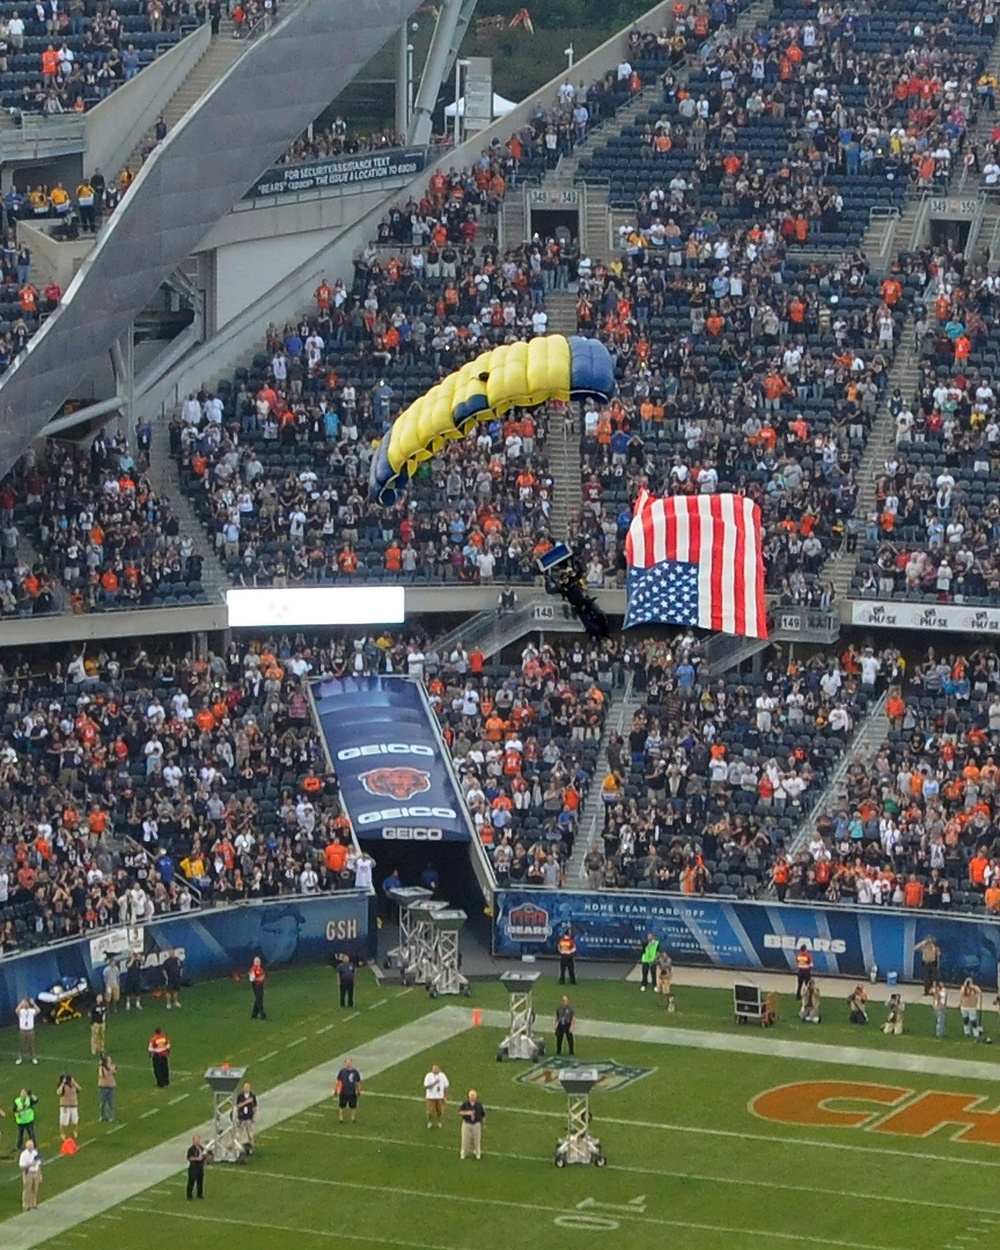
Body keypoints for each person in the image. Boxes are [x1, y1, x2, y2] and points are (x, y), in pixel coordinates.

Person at [458, 1089, 486, 1160]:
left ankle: (477, 1153)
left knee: (477, 1139)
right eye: (471, 1096)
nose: (473, 1097)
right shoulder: (465, 1104)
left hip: (476, 1124)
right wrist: (467, 1113)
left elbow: (483, 1115)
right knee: (465, 1139)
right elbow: (460, 1112)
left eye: (474, 1096)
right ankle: (463, 1153)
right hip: (467, 1123)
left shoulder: (479, 1105)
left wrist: (483, 1123)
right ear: (469, 1097)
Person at [334, 1057, 362, 1123]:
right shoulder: (342, 1071)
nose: (348, 1064)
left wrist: (358, 1090)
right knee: (341, 1105)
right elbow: (338, 1081)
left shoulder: (355, 1072)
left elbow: (357, 1082)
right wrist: (336, 1090)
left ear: (352, 1063)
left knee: (353, 1105)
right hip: (343, 1091)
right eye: (347, 1063)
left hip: (352, 1091)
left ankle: (353, 1117)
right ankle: (341, 1118)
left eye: (349, 1063)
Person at [234, 1082, 257, 1158]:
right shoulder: (240, 1096)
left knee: (250, 1134)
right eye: (245, 1087)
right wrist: (246, 1102)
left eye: (247, 1087)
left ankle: (251, 1148)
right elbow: (238, 1105)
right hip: (241, 1117)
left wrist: (254, 1116)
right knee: (238, 1134)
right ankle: (237, 1147)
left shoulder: (252, 1096)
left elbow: (255, 1107)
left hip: (249, 1117)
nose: (246, 1089)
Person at [423, 1063, 449, 1129]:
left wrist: (445, 1096)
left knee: (440, 1111)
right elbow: (426, 1087)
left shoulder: (442, 1075)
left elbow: (446, 1087)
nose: (434, 1070)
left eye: (435, 1068)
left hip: (440, 1097)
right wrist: (434, 1084)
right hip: (430, 1097)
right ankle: (430, 1121)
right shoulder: (428, 1076)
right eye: (433, 1068)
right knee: (430, 1111)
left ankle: (439, 1121)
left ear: (439, 1069)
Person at [19, 1137, 41, 1211]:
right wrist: (30, 1164)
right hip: (28, 1173)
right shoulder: (24, 1155)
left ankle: (33, 1203)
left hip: (35, 1172)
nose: (31, 1147)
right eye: (30, 1146)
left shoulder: (35, 1153)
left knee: (35, 1188)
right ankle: (26, 1205)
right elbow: (21, 1166)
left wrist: (39, 1173)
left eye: (32, 1146)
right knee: (27, 1189)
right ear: (27, 1146)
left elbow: (39, 1164)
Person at [16, 996, 40, 1064]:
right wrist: (21, 1004)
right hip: (23, 1031)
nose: (25, 1005)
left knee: (31, 1045)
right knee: (22, 1045)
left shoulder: (31, 1011)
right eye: (24, 1004)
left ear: (28, 1004)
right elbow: (16, 1011)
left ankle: (33, 1058)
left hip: (30, 1031)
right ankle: (20, 1058)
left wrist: (33, 1003)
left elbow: (38, 1010)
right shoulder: (21, 1011)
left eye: (26, 1003)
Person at [57, 1072, 81, 1141]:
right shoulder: (63, 1086)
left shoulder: (73, 1085)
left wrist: (74, 1083)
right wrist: (63, 1084)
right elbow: (58, 1092)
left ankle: (75, 1131)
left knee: (75, 1121)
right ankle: (62, 1133)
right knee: (63, 1122)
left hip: (73, 1105)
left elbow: (79, 1089)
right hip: (65, 1106)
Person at [186, 1134, 207, 1199]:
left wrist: (204, 1158)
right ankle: (189, 1195)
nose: (197, 1141)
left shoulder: (202, 1148)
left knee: (200, 1181)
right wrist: (197, 1159)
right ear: (193, 1141)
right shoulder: (191, 1149)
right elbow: (189, 1158)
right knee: (191, 1181)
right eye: (196, 1140)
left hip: (200, 1167)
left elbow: (204, 1157)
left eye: (198, 1140)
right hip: (193, 1167)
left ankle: (199, 1194)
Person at [97, 1053, 117, 1122]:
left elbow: (114, 1072)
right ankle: (102, 1116)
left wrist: (110, 1068)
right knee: (102, 1103)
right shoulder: (101, 1068)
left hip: (111, 1086)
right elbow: (101, 1075)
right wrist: (101, 1066)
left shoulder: (112, 1066)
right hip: (103, 1086)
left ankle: (111, 1116)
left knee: (111, 1102)